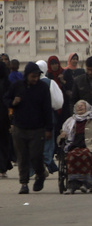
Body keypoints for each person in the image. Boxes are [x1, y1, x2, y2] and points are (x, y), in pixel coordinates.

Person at [4, 62, 52, 193]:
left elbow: (47, 109)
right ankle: (24, 183)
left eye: (37, 76)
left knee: (36, 156)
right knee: (22, 157)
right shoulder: (17, 86)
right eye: (33, 76)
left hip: (37, 129)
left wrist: (49, 128)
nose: (35, 79)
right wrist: (12, 103)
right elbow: (6, 99)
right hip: (20, 128)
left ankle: (40, 174)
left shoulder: (42, 88)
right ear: (27, 75)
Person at [57, 100, 92, 193]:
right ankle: (73, 183)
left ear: (88, 107)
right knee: (71, 156)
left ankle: (87, 182)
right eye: (78, 106)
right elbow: (61, 137)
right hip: (74, 145)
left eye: (82, 106)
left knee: (86, 154)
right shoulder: (70, 121)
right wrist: (62, 135)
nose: (80, 107)